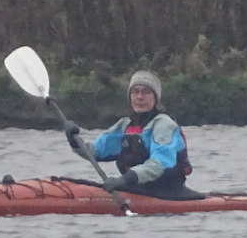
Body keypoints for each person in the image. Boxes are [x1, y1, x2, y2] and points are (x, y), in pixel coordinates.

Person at [67, 70, 203, 200]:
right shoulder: (124, 126)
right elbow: (95, 151)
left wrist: (124, 179)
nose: (139, 97)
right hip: (136, 189)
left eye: (146, 92)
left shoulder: (164, 124)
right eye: (135, 91)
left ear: (155, 97)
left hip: (168, 192)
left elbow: (160, 164)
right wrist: (73, 140)